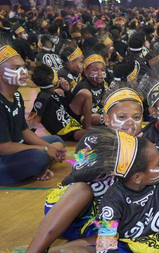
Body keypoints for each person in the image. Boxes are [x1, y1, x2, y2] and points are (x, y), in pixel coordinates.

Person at [0, 86, 145, 253]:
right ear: (106, 117)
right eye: (122, 116)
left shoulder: (144, 145)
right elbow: (81, 173)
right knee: (82, 189)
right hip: (73, 212)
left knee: (132, 228)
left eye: (137, 116)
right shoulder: (93, 139)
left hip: (103, 219)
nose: (130, 123)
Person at [0, 44, 66, 184]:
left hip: (18, 149)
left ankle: (38, 168)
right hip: (4, 157)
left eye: (23, 67)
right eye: (15, 68)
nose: (23, 72)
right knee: (39, 158)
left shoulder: (16, 96)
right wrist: (45, 149)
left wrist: (49, 147)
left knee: (57, 141)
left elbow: (24, 130)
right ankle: (39, 166)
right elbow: (4, 147)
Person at [31, 65, 86, 142]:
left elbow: (68, 106)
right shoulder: (43, 97)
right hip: (65, 133)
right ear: (54, 81)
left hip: (72, 125)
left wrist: (67, 91)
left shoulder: (53, 94)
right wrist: (29, 138)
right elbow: (35, 117)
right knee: (94, 135)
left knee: (98, 131)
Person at [69, 52, 107, 129]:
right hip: (82, 118)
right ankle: (89, 127)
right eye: (95, 70)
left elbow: (102, 102)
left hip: (95, 112)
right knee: (103, 118)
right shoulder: (83, 86)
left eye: (102, 70)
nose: (100, 74)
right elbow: (84, 113)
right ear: (85, 72)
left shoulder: (101, 83)